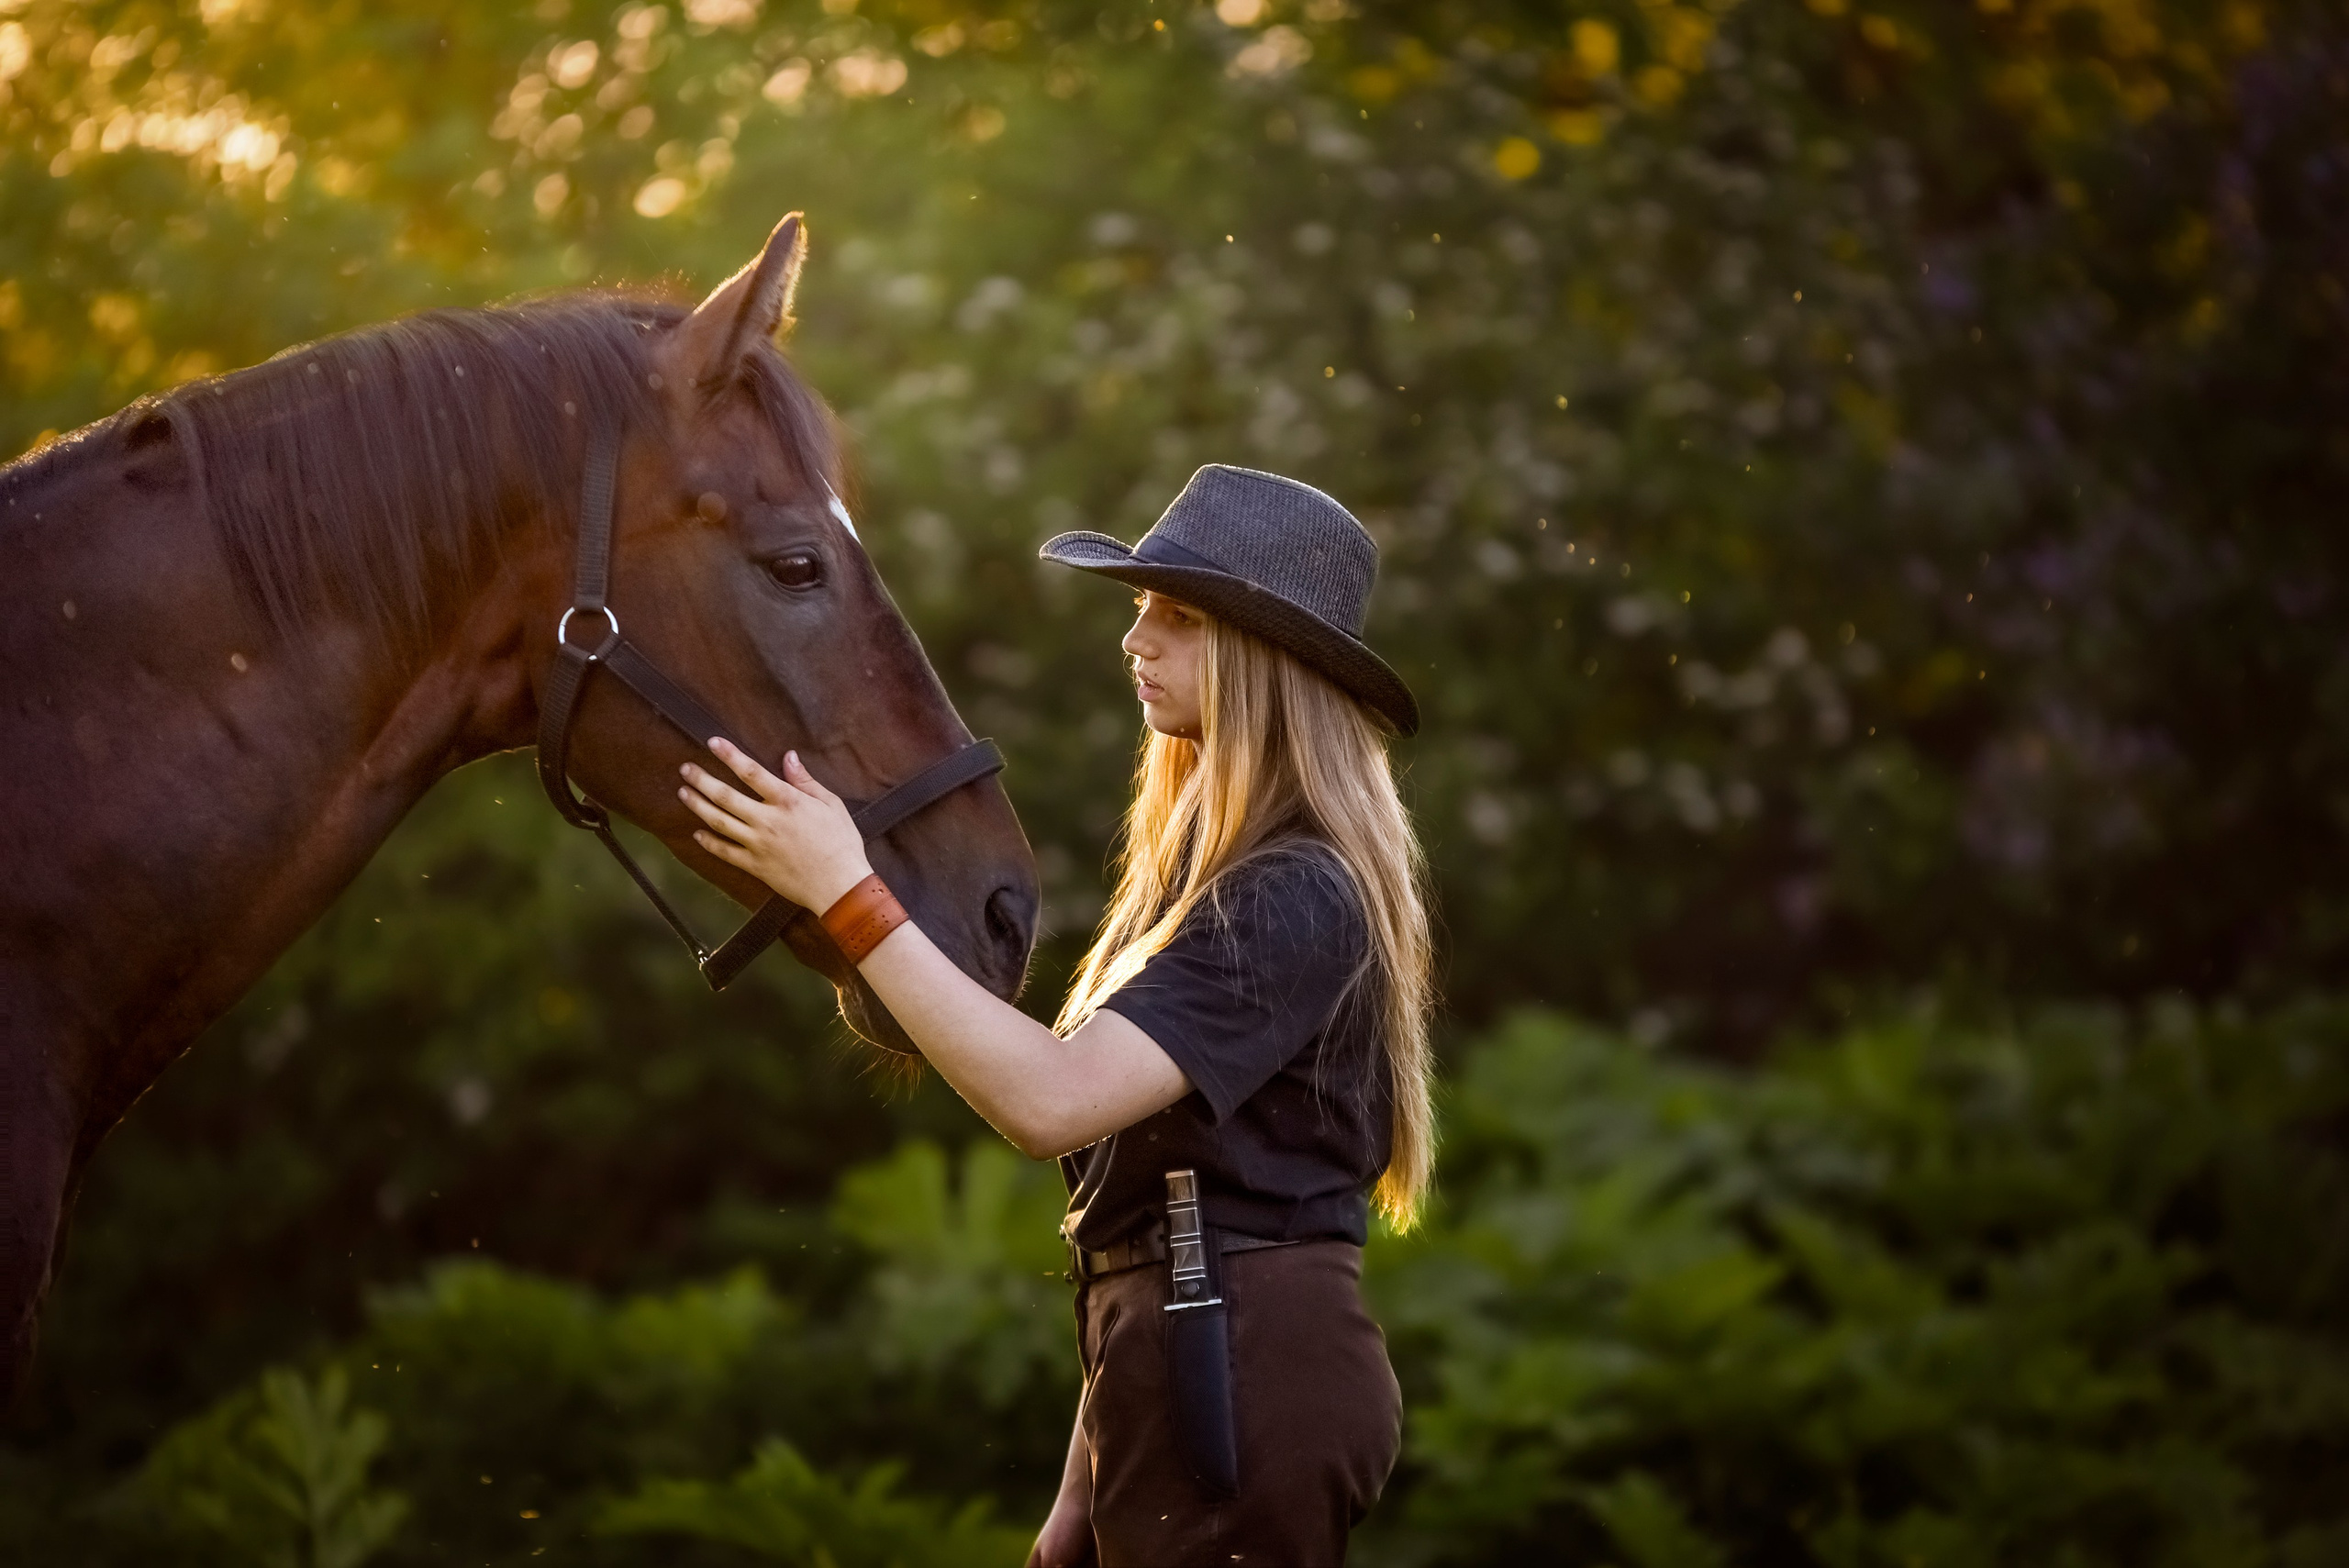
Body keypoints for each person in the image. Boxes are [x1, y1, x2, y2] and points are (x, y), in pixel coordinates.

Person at [678, 463, 1434, 1567]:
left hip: (1241, 1366)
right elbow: (1152, 1205)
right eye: (1138, 611)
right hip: (1175, 1357)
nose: (1136, 640)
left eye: (1174, 616)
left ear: (1260, 656)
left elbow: (1050, 1101)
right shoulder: (1211, 884)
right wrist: (1084, 1475)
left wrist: (848, 890)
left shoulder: (1293, 891)